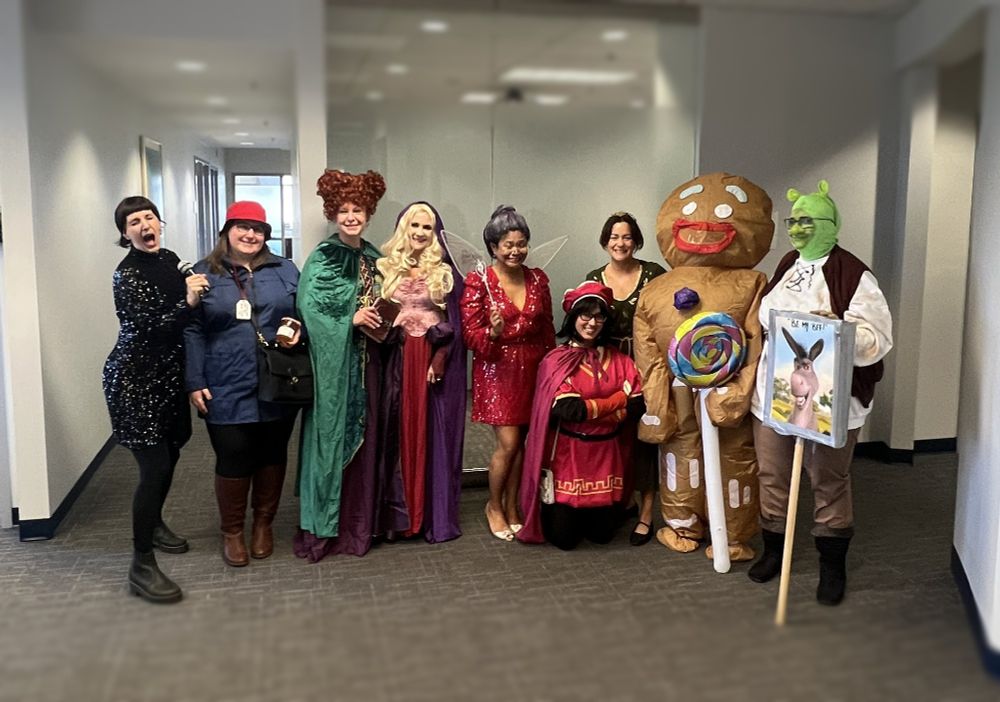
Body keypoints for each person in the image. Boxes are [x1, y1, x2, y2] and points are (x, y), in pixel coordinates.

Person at [748, 180, 892, 606]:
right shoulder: (789, 263)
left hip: (828, 399)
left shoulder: (854, 274)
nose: (796, 228)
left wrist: (838, 330)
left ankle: (832, 565)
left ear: (829, 223)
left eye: (806, 221)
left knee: (828, 479)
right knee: (772, 474)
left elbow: (876, 338)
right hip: (775, 394)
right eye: (793, 221)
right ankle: (775, 550)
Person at [633, 172, 774, 562]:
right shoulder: (657, 288)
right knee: (682, 456)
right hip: (679, 392)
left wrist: (737, 391)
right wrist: (658, 406)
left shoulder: (752, 284)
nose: (707, 224)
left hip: (725, 390)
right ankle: (684, 525)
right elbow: (650, 358)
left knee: (734, 459)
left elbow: (757, 342)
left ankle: (731, 534)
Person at [294, 169, 407, 561]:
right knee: (333, 438)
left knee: (371, 439)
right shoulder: (323, 258)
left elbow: (390, 303)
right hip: (337, 371)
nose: (350, 217)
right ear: (332, 213)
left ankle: (363, 524)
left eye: (357, 209)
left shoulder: (376, 257)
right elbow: (310, 308)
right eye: (342, 210)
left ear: (368, 211)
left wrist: (388, 319)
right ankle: (328, 529)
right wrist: (350, 320)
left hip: (371, 366)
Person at [185, 201, 303, 567]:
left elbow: (301, 314)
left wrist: (296, 331)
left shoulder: (285, 270)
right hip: (225, 380)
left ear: (267, 235)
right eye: (243, 227)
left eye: (259, 229)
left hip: (277, 379)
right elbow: (192, 328)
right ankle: (232, 530)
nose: (251, 234)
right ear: (227, 231)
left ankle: (263, 524)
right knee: (233, 455)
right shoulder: (203, 273)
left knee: (272, 453)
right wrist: (194, 379)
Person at [104, 195, 209, 603]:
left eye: (149, 217)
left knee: (173, 453)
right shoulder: (126, 275)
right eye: (134, 221)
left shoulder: (168, 258)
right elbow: (146, 329)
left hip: (168, 377)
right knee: (154, 467)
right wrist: (187, 302)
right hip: (134, 379)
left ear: (159, 223)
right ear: (124, 233)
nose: (144, 225)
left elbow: (184, 319)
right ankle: (141, 563)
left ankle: (155, 522)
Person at [517, 283, 645, 549]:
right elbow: (568, 411)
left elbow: (639, 406)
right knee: (564, 540)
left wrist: (594, 409)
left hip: (607, 456)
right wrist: (619, 400)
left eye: (599, 316)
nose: (592, 323)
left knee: (602, 536)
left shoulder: (621, 360)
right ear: (573, 317)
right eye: (585, 315)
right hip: (568, 457)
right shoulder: (556, 361)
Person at [461, 205, 555, 541]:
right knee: (509, 443)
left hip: (534, 367)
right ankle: (494, 506)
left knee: (526, 444)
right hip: (497, 369)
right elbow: (469, 335)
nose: (516, 250)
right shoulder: (479, 281)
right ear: (493, 247)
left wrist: (553, 371)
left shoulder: (538, 278)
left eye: (521, 243)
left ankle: (514, 506)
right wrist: (493, 332)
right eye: (508, 245)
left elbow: (547, 328)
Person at [376, 202, 466, 542]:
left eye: (426, 228)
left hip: (429, 358)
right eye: (414, 225)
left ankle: (427, 515)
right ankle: (398, 516)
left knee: (429, 433)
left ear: (435, 233)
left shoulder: (444, 271)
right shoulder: (385, 267)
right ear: (403, 228)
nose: (419, 233)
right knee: (396, 431)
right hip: (396, 357)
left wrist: (441, 356)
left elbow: (454, 322)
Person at [585, 211, 666, 546]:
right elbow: (585, 322)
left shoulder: (654, 274)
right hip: (608, 365)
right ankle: (624, 500)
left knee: (644, 437)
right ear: (606, 241)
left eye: (627, 237)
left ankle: (647, 513)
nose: (621, 243)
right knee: (613, 435)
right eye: (615, 237)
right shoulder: (593, 277)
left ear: (636, 241)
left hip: (647, 364)